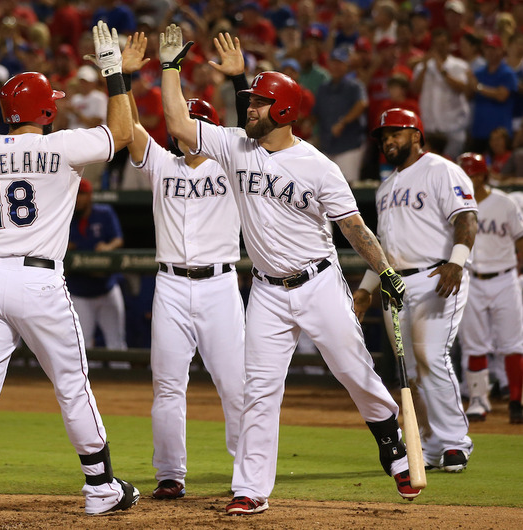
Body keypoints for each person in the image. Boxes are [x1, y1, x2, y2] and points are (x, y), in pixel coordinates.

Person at [159, 25, 420, 515]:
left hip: (318, 281)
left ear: (282, 110)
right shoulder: (235, 147)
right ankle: (251, 488)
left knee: (353, 370)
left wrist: (385, 271)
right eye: (250, 101)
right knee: (258, 390)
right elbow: (176, 125)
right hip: (266, 293)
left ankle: (391, 442)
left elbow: (355, 228)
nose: (248, 107)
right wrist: (169, 70)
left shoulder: (319, 165)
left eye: (258, 102)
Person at [0, 21, 139, 521]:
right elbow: (123, 134)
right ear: (45, 109)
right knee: (71, 382)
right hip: (37, 278)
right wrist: (114, 74)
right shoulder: (60, 146)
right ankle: (101, 486)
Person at [122, 31, 246, 500]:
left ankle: (245, 476)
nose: (185, 131)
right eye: (182, 123)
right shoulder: (161, 164)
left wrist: (237, 81)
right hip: (170, 286)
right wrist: (123, 76)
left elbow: (249, 135)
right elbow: (129, 128)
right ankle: (170, 474)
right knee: (167, 387)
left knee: (235, 387)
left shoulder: (232, 165)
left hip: (219, 286)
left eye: (194, 123)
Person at [354, 108, 479, 473]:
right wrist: (365, 289)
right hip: (396, 283)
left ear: (416, 134)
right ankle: (428, 442)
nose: (388, 140)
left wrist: (456, 261)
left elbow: (467, 218)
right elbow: (382, 248)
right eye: (383, 135)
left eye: (395, 132)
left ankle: (455, 442)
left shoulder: (441, 169)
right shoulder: (385, 186)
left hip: (438, 273)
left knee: (429, 356)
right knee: (409, 371)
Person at [455, 153, 523, 424]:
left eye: (469, 175)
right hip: (471, 279)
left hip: (505, 278)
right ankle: (479, 400)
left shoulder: (504, 203)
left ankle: (516, 401)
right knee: (474, 344)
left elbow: (520, 240)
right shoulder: (456, 206)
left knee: (513, 343)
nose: (465, 180)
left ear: (481, 175)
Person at [66, 177, 127, 354]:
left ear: (90, 196)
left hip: (106, 287)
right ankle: (87, 383)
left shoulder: (104, 213)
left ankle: (121, 380)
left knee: (116, 343)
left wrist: (108, 247)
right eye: (75, 195)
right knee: (83, 346)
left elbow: (118, 239)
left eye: (81, 195)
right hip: (79, 291)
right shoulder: (66, 217)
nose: (78, 199)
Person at [411, 28, 471, 161]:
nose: (439, 48)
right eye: (436, 44)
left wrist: (442, 71)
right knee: (431, 166)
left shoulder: (459, 65)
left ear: (449, 45)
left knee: (452, 165)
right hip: (430, 127)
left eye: (443, 44)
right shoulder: (422, 67)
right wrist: (425, 66)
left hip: (453, 127)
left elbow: (462, 88)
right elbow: (414, 89)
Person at [313, 46, 368, 184]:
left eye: (340, 63)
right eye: (334, 62)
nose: (336, 66)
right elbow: (316, 113)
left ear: (346, 65)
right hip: (327, 145)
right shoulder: (323, 87)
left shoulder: (354, 86)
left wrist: (343, 122)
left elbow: (362, 104)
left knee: (348, 186)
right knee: (325, 187)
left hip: (349, 145)